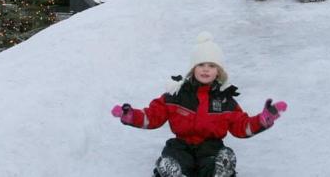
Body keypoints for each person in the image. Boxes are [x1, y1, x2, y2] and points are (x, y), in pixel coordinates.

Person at [111, 32, 287, 177]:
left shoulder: (225, 100)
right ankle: (172, 171)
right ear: (192, 69)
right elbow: (153, 116)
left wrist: (263, 120)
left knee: (213, 161)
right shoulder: (177, 94)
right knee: (175, 156)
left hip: (210, 146)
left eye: (211, 65)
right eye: (201, 64)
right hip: (181, 145)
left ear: (218, 71)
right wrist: (131, 116)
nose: (205, 69)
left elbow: (241, 126)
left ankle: (220, 171)